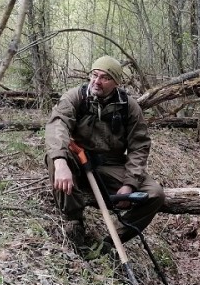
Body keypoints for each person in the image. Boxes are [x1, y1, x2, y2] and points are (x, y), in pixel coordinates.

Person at [45, 56, 165, 248]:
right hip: (78, 163)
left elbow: (139, 147)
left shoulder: (129, 106)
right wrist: (60, 162)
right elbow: (57, 126)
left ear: (116, 82)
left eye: (105, 78)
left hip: (111, 166)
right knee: (55, 156)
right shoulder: (75, 97)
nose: (97, 81)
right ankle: (74, 223)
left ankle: (108, 243)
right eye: (94, 75)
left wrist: (130, 184)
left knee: (155, 194)